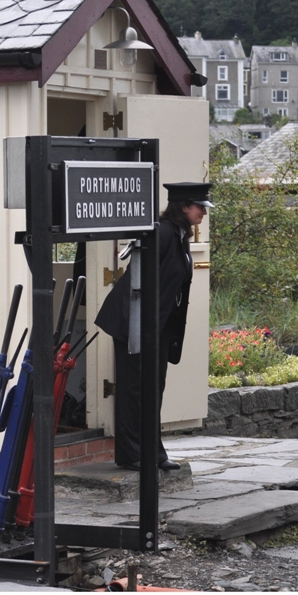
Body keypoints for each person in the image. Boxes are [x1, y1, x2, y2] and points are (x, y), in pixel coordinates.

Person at [94, 182, 213, 472]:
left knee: (154, 387)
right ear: (184, 207)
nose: (204, 213)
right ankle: (131, 453)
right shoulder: (161, 233)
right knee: (134, 388)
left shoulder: (180, 235)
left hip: (155, 325)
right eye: (200, 207)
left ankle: (152, 451)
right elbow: (141, 282)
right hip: (133, 321)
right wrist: (144, 328)